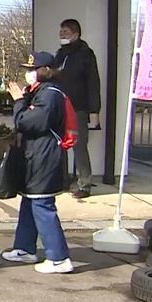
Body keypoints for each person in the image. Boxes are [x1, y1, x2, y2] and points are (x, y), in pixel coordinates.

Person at [2, 52, 73, 274]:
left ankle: (59, 257)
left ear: (47, 70)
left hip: (45, 155)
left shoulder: (50, 94)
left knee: (42, 204)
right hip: (34, 154)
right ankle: (25, 248)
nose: (29, 73)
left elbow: (28, 122)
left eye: (34, 69)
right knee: (29, 201)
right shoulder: (39, 91)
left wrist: (19, 102)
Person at [55, 18, 100, 199]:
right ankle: (63, 178)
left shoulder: (85, 54)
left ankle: (84, 183)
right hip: (60, 105)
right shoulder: (60, 54)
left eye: (65, 32)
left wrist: (94, 110)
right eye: (61, 32)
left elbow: (93, 83)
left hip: (78, 106)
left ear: (75, 33)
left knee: (79, 145)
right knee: (60, 144)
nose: (62, 35)